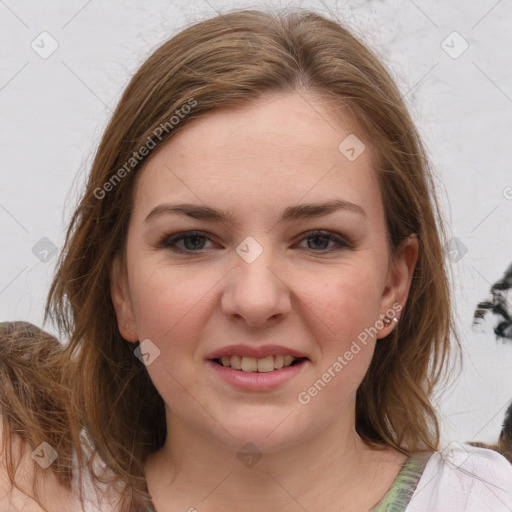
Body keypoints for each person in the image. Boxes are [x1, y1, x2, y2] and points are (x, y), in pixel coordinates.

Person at [2, 7, 511, 512]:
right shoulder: (31, 494)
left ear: (393, 286)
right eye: (192, 241)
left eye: (318, 241)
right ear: (123, 291)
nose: (255, 299)